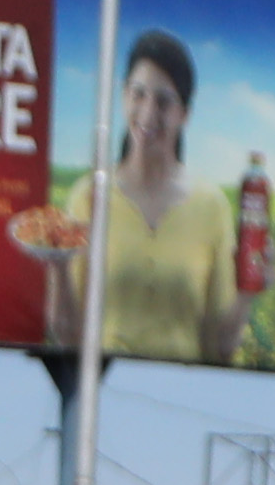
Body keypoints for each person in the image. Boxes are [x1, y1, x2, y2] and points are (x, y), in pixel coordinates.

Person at [88, 32, 243, 366]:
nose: (148, 112)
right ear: (123, 96)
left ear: (184, 114)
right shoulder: (90, 197)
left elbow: (220, 348)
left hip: (183, 389)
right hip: (101, 386)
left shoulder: (211, 207)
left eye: (163, 102)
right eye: (138, 94)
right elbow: (67, 335)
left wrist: (248, 293)